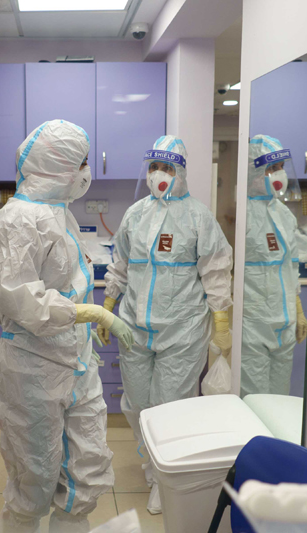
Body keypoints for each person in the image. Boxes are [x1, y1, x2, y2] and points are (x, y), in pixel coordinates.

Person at [0, 120, 134, 533]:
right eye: (81, 162)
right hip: (32, 366)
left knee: (88, 467)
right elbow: (21, 299)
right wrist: (92, 314)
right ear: (58, 167)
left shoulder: (57, 212)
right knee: (36, 478)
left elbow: (67, 283)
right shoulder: (20, 220)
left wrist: (88, 317)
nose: (86, 172)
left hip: (75, 360)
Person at [100, 136, 234, 514]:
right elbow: (121, 264)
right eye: (155, 167)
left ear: (182, 173)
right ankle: (150, 464)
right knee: (137, 405)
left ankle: (167, 479)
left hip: (182, 327)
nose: (160, 175)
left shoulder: (198, 217)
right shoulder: (135, 214)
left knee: (170, 406)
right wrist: (109, 305)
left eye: (169, 168)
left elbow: (216, 271)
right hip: (135, 326)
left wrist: (220, 320)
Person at [241, 135, 307, 396]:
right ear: (253, 171)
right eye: (270, 168)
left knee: (280, 398)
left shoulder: (284, 214)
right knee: (255, 400)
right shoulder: (241, 214)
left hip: (284, 323)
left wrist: (298, 310)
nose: (277, 174)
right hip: (253, 325)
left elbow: (290, 268)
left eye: (279, 167)